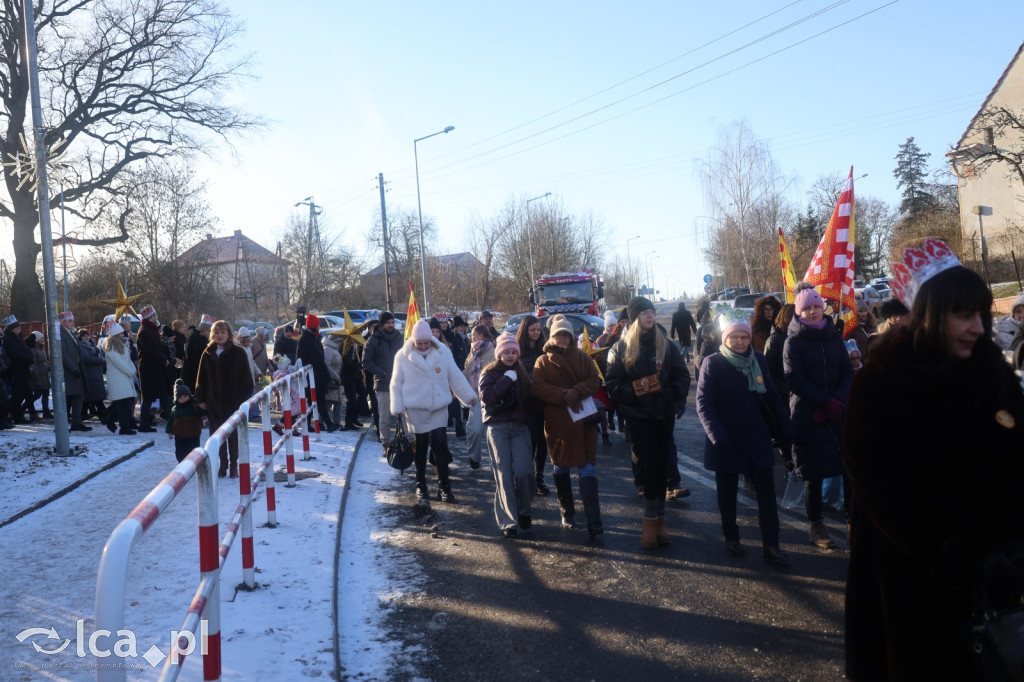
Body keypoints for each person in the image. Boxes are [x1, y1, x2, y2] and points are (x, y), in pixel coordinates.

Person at [844, 239, 1024, 681]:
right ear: (928, 314)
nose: (980, 328)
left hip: (1003, 584)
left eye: (981, 314)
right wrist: (969, 554)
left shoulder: (993, 372)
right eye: (964, 315)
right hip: (916, 588)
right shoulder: (882, 382)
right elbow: (882, 489)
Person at [696, 309, 792, 564]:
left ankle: (771, 545)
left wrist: (787, 429)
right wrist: (716, 436)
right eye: (734, 337)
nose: (740, 342)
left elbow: (771, 395)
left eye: (744, 337)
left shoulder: (758, 360)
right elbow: (704, 404)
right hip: (725, 439)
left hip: (756, 437)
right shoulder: (713, 363)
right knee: (727, 496)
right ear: (725, 339)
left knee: (767, 496)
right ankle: (732, 538)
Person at [605, 297, 691, 549]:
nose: (650, 316)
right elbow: (613, 384)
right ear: (634, 318)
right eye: (644, 313)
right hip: (638, 416)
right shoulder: (620, 349)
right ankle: (649, 521)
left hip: (664, 413)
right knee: (651, 465)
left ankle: (660, 523)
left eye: (652, 312)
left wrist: (670, 393)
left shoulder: (666, 344)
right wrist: (637, 392)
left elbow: (682, 376)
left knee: (663, 466)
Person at [783, 285, 854, 549]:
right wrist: (824, 403)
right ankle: (816, 525)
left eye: (816, 306)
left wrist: (838, 401)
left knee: (848, 469)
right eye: (807, 308)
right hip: (809, 415)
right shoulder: (793, 342)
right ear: (800, 312)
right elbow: (795, 380)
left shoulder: (833, 336)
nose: (813, 312)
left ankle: (851, 522)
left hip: (838, 413)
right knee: (813, 472)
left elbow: (847, 371)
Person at [532, 314, 603, 538]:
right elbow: (539, 388)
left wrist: (577, 391)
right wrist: (565, 395)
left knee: (587, 467)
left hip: (584, 419)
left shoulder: (583, 357)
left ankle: (594, 521)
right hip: (559, 422)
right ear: (551, 337)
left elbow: (595, 380)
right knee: (561, 467)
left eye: (566, 335)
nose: (562, 338)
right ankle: (567, 511)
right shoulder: (542, 361)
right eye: (558, 335)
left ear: (571, 337)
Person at [390, 319, 478, 503]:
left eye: (426, 342)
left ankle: (444, 486)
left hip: (439, 407)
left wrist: (468, 396)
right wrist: (397, 406)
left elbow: (454, 376)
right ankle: (420, 485)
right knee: (420, 448)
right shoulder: (402, 356)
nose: (423, 346)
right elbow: (396, 383)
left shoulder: (442, 352)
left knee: (440, 446)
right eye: (419, 343)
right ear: (413, 341)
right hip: (415, 409)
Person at [479, 332, 536, 538]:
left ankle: (523, 510)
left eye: (514, 352)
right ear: (499, 354)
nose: (510, 356)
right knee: (503, 475)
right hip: (498, 428)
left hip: (520, 427)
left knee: (524, 472)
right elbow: (487, 397)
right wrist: (505, 380)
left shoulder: (522, 374)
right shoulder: (489, 373)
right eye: (506, 352)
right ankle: (508, 522)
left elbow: (531, 400)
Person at [195, 320, 255, 478]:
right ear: (212, 335)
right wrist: (200, 397)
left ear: (229, 334)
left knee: (233, 435)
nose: (220, 335)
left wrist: (243, 400)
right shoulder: (207, 353)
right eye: (217, 332)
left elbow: (247, 380)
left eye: (223, 332)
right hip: (213, 401)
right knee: (217, 435)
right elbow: (201, 378)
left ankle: (234, 465)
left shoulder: (238, 352)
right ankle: (223, 463)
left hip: (233, 401)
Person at [516, 315, 550, 494]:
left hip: (544, 400)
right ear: (525, 331)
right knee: (532, 439)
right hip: (527, 402)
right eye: (532, 330)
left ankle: (539, 477)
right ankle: (526, 477)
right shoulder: (518, 350)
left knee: (544, 441)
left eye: (538, 329)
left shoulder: (543, 348)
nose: (536, 333)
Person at [363, 311, 404, 452]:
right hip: (383, 384)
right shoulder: (374, 340)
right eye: (388, 323)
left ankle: (409, 441)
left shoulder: (399, 337)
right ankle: (385, 443)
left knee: (405, 415)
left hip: (401, 383)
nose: (391, 325)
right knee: (385, 417)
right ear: (381, 324)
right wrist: (383, 372)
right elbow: (366, 361)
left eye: (392, 322)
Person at [296, 314, 339, 432]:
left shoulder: (315, 338)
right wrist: (305, 375)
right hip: (311, 376)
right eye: (318, 325)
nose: (319, 327)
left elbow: (320, 359)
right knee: (314, 400)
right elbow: (300, 358)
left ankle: (313, 424)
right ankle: (326, 423)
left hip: (319, 375)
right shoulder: (305, 339)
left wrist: (325, 374)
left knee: (315, 400)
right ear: (314, 326)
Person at [463, 324, 495, 469]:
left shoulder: (493, 352)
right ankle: (474, 457)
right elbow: (467, 371)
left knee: (492, 432)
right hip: (475, 397)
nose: (471, 337)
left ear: (481, 336)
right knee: (474, 430)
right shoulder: (472, 352)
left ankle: (495, 461)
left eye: (474, 335)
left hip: (491, 398)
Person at [137, 304, 173, 433]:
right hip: (150, 369)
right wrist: (164, 360)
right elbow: (152, 350)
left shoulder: (150, 330)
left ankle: (170, 421)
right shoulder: (145, 331)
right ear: (150, 317)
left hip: (155, 368)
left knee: (162, 394)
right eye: (155, 316)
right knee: (148, 397)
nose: (156, 318)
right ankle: (144, 423)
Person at [101, 322, 138, 435]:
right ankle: (123, 426)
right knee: (124, 402)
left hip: (124, 376)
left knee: (126, 401)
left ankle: (108, 418)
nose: (123, 334)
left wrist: (132, 370)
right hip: (118, 377)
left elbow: (127, 360)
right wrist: (130, 371)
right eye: (121, 333)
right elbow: (118, 362)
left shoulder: (121, 344)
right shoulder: (111, 345)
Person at [58, 310, 91, 431]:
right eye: (70, 321)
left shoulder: (70, 333)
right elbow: (63, 353)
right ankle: (61, 425)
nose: (73, 323)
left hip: (77, 369)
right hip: (69, 372)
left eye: (73, 321)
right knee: (65, 397)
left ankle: (76, 422)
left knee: (79, 395)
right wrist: (72, 368)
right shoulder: (61, 333)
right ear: (62, 322)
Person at [1, 316, 33, 423]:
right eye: (17, 328)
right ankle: (17, 417)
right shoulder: (8, 339)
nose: (19, 329)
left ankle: (18, 416)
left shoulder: (19, 338)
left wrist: (29, 358)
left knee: (25, 393)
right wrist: (27, 359)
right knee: (17, 396)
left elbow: (27, 351)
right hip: (16, 371)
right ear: (11, 329)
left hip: (23, 371)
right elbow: (15, 354)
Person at [166, 379, 206, 461]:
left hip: (193, 435)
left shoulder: (193, 406)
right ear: (176, 399)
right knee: (180, 454)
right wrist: (169, 430)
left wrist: (203, 409)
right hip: (179, 437)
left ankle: (193, 465)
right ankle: (182, 466)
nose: (183, 399)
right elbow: (171, 420)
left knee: (193, 453)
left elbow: (201, 412)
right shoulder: (175, 409)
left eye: (185, 396)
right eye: (180, 397)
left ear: (189, 396)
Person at [78, 329, 107, 422]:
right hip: (89, 374)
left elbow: (100, 354)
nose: (86, 337)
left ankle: (84, 413)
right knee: (93, 395)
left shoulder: (92, 345)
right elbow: (87, 359)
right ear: (80, 337)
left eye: (87, 335)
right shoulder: (81, 346)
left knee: (92, 396)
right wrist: (100, 360)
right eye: (83, 336)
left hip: (96, 373)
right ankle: (102, 413)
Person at [27, 331, 52, 420]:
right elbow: (33, 364)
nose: (43, 339)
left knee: (45, 393)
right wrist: (36, 377)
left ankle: (46, 411)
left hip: (44, 375)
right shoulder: (33, 350)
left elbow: (44, 362)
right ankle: (22, 407)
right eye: (41, 338)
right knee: (37, 394)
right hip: (38, 375)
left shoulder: (41, 349)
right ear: (37, 339)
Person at [183, 314, 212, 391]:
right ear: (205, 330)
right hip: (193, 373)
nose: (210, 333)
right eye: (210, 330)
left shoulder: (205, 339)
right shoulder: (194, 339)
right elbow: (191, 358)